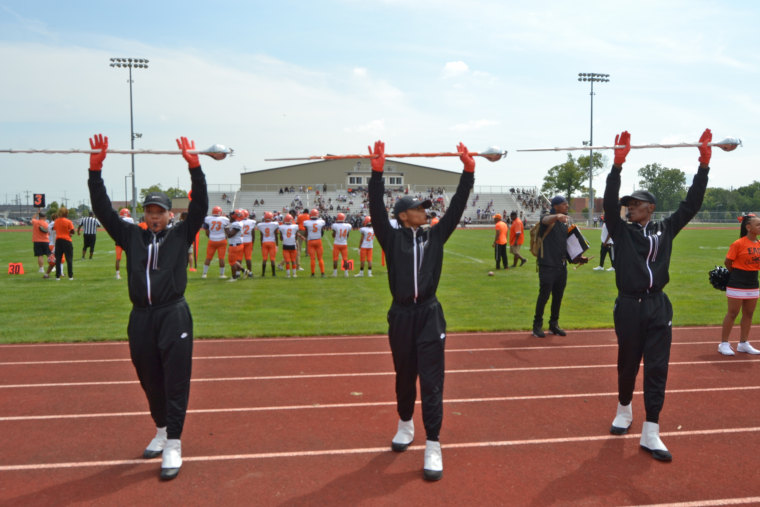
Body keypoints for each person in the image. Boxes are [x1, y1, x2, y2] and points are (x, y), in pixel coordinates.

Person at [87, 133, 208, 480]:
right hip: (141, 316)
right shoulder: (131, 236)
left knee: (175, 379)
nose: (154, 218)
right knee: (148, 377)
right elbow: (102, 210)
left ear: (170, 214)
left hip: (173, 314)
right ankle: (160, 429)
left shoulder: (182, 234)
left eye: (160, 212)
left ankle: (174, 442)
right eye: (150, 212)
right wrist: (96, 171)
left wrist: (194, 167)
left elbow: (199, 204)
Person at [368, 140, 474, 482]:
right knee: (403, 375)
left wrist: (468, 172)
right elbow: (374, 205)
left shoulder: (436, 235)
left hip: (429, 315)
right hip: (401, 316)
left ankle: (433, 443)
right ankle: (404, 423)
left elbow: (456, 206)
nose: (425, 211)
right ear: (403, 215)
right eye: (418, 208)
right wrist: (376, 172)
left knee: (432, 381)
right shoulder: (390, 236)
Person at [604, 129, 712, 462]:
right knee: (627, 364)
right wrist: (617, 166)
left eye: (634, 204)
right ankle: (624, 409)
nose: (628, 209)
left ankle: (651, 431)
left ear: (650, 207)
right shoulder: (621, 231)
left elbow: (691, 204)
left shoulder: (666, 229)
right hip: (628, 306)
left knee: (657, 368)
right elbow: (609, 203)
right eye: (628, 205)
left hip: (657, 306)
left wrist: (704, 165)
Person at [532, 196, 587, 337]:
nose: (567, 206)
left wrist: (577, 258)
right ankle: (537, 325)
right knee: (544, 296)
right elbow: (544, 220)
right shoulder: (547, 218)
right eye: (564, 204)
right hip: (548, 266)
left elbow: (565, 248)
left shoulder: (564, 225)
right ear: (555, 206)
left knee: (558, 297)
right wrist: (557, 216)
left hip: (561, 267)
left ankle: (554, 324)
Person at [718, 214, 760, 356]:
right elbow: (728, 262)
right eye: (758, 225)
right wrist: (735, 274)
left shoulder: (759, 244)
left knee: (749, 313)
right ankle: (723, 343)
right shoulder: (738, 243)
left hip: (753, 282)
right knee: (733, 313)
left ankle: (743, 343)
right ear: (748, 227)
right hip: (737, 282)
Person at [201, 206, 229, 279]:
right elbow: (227, 230)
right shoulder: (225, 219)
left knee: (208, 257)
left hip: (212, 240)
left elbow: (206, 232)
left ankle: (204, 274)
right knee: (221, 258)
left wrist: (211, 237)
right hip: (222, 240)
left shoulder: (208, 219)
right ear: (220, 212)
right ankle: (222, 274)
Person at [52, 206, 75, 280]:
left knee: (58, 259)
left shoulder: (56, 221)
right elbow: (72, 231)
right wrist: (69, 233)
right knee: (69, 259)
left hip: (58, 241)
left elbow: (54, 229)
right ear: (66, 213)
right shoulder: (68, 221)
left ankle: (57, 276)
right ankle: (70, 276)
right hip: (67, 240)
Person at [302, 209, 326, 277]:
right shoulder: (321, 222)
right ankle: (322, 273)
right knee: (320, 258)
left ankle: (313, 273)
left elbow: (306, 233)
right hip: (318, 240)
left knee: (312, 258)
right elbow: (322, 232)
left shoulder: (306, 222)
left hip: (311, 241)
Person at [257, 211, 280, 276]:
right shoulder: (274, 224)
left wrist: (261, 245)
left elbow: (261, 236)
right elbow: (276, 235)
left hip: (264, 242)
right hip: (272, 242)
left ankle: (263, 274)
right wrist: (277, 245)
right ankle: (274, 273)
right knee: (272, 259)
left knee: (264, 258)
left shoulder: (260, 225)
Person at [114, 208, 135, 279]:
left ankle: (117, 275)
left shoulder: (117, 219)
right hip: (127, 240)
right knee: (129, 258)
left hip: (119, 240)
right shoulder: (130, 219)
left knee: (118, 258)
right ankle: (130, 273)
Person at [331, 212, 352, 277]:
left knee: (335, 259)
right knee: (345, 259)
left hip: (337, 244)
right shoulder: (348, 225)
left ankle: (335, 273)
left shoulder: (335, 225)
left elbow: (334, 235)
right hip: (344, 244)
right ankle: (346, 273)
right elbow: (347, 235)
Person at [278, 213, 299, 278]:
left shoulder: (281, 227)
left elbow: (281, 238)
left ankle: (288, 275)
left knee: (287, 261)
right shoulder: (295, 226)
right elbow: (295, 237)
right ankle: (294, 274)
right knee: (293, 261)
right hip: (293, 245)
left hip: (285, 245)